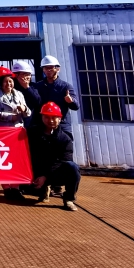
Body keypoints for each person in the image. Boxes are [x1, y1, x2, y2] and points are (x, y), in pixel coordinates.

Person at [34, 56, 81, 198]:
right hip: (44, 126)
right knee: (42, 155)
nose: (48, 70)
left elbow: (76, 106)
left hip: (62, 127)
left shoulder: (65, 86)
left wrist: (70, 101)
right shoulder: (39, 86)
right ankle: (45, 185)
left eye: (51, 67)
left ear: (57, 69)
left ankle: (60, 186)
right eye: (45, 68)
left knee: (63, 158)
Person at [0, 66, 31, 201]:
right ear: (0, 83)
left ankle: (16, 188)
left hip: (17, 132)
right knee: (4, 160)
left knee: (17, 160)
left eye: (11, 81)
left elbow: (28, 113)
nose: (9, 84)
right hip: (1, 132)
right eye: (5, 81)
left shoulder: (19, 94)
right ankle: (6, 188)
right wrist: (8, 117)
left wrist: (24, 109)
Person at [28, 102, 80, 211]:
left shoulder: (65, 139)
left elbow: (64, 160)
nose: (50, 120)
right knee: (28, 190)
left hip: (54, 174)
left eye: (54, 117)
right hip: (35, 172)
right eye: (47, 117)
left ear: (60, 119)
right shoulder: (32, 133)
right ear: (42, 117)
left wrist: (45, 176)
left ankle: (69, 199)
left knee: (72, 167)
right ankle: (42, 190)